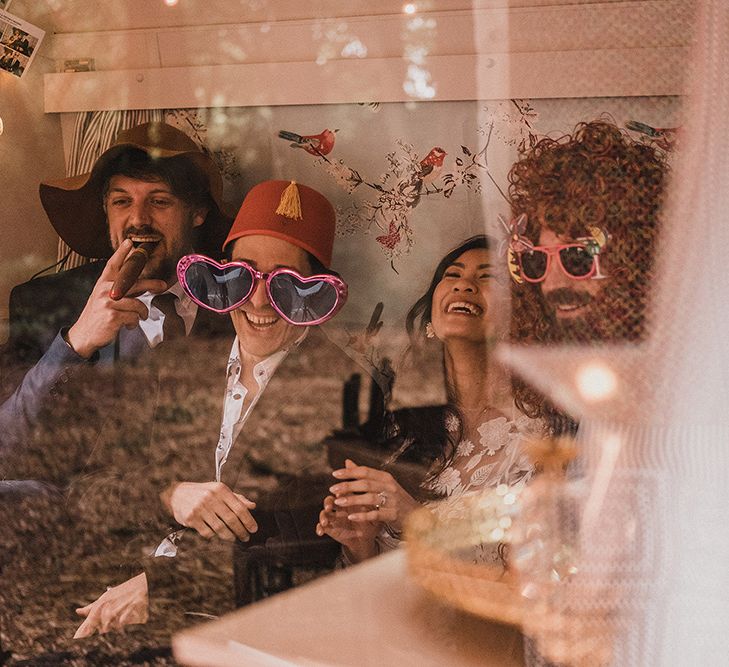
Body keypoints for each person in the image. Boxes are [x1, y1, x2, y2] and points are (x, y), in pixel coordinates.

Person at [72, 180, 380, 637]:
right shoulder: (178, 365)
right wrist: (168, 493)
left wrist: (161, 590)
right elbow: (91, 488)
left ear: (316, 295)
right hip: (112, 594)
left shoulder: (344, 388)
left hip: (236, 625)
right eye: (243, 276)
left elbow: (296, 545)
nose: (258, 302)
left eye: (287, 285)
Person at [316, 235, 544, 564]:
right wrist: (360, 544)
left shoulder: (538, 442)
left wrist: (416, 522)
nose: (463, 285)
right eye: (451, 275)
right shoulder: (404, 430)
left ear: (521, 315)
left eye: (487, 276)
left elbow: (519, 580)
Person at [503, 119, 667, 429]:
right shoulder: (579, 390)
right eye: (537, 261)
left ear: (636, 257)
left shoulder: (686, 386)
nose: (553, 284)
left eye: (577, 257)